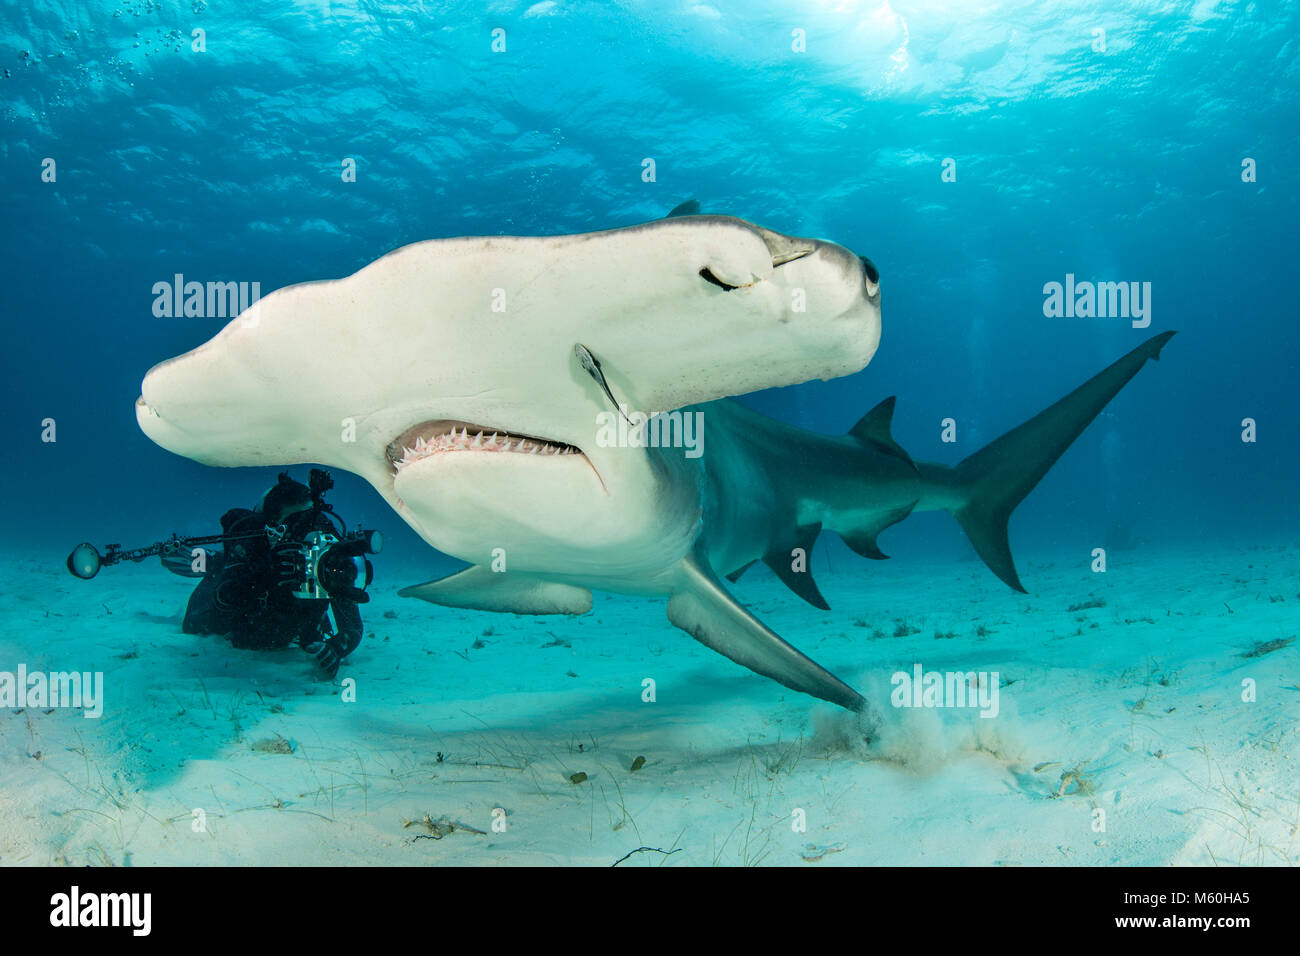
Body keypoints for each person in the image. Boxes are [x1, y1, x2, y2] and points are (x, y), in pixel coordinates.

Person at [182, 471, 368, 678]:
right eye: (296, 527)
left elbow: (352, 627)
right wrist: (265, 573)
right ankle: (216, 563)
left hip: (286, 629)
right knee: (193, 624)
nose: (305, 537)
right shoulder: (255, 545)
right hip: (247, 617)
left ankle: (218, 561)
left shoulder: (325, 555)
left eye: (311, 526)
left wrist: (336, 649)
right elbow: (221, 605)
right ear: (272, 529)